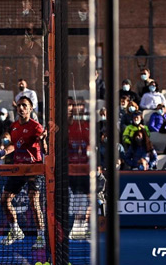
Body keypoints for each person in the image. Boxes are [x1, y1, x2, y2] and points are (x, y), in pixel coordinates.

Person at [0, 96, 45, 249]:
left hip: (34, 168)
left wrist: (44, 140)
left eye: (24, 105)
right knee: (4, 200)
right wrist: (0, 154)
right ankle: (15, 230)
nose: (21, 108)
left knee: (34, 202)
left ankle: (41, 237)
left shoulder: (36, 127)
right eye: (19, 105)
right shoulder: (14, 127)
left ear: (30, 108)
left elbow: (44, 149)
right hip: (18, 167)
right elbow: (13, 146)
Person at [66, 97, 92, 240]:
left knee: (90, 199)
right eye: (68, 106)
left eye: (73, 105)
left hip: (85, 169)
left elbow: (91, 146)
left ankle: (83, 227)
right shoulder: (63, 126)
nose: (71, 108)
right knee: (76, 199)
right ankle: (76, 227)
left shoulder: (86, 125)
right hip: (69, 170)